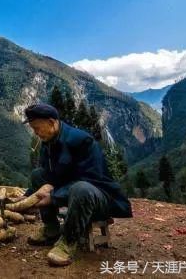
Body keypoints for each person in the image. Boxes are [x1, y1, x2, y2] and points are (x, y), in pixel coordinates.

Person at [22, 103, 132, 266]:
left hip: (97, 196)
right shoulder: (48, 143)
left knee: (81, 189)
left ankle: (67, 242)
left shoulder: (82, 141)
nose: (35, 133)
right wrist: (26, 198)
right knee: (38, 174)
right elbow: (48, 175)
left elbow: (90, 180)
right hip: (69, 192)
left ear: (52, 123)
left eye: (37, 128)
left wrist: (53, 197)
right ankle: (51, 229)